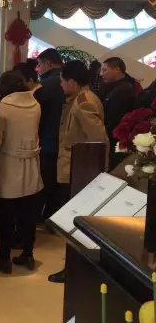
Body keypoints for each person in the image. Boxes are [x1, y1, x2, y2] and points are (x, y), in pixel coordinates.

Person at [47, 60, 109, 284]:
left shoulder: (84, 103)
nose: (61, 85)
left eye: (63, 81)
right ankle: (74, 266)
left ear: (72, 82)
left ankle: (74, 268)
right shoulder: (80, 98)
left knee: (75, 221)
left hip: (79, 170)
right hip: (74, 167)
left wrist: (98, 172)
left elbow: (99, 140)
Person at [0, 71, 43, 274]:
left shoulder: (3, 107)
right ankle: (28, 254)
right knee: (28, 214)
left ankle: (4, 258)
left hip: (8, 165)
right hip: (31, 165)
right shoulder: (35, 105)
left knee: (6, 216)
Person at [35, 48, 65, 222]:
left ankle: (42, 216)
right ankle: (52, 216)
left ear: (48, 63)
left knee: (45, 180)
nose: (39, 69)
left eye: (40, 65)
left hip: (47, 139)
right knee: (57, 181)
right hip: (62, 140)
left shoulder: (45, 85)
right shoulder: (68, 81)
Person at [101, 57, 136, 169]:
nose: (102, 74)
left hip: (116, 140)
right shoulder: (116, 87)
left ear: (117, 69)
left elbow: (115, 118)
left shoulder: (123, 90)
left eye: (105, 70)